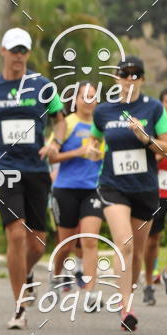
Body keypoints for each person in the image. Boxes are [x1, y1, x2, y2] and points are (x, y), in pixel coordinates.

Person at [0, 28, 66, 329]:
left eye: (23, 51)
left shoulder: (43, 86)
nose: (18, 56)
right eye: (13, 50)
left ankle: (27, 274)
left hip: (36, 168)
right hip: (2, 168)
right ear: (2, 50)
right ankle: (19, 307)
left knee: (37, 244)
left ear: (27, 54)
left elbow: (60, 119)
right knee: (15, 234)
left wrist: (55, 143)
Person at [89, 56, 167, 332]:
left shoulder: (154, 108)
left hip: (145, 189)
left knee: (135, 252)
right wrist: (91, 148)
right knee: (123, 244)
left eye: (136, 74)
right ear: (117, 78)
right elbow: (94, 139)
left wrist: (145, 137)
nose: (130, 79)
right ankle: (125, 308)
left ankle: (129, 299)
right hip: (113, 186)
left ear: (143, 79)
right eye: (125, 74)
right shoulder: (104, 111)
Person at [47, 83, 103, 306]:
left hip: (93, 189)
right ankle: (55, 278)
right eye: (84, 97)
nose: (89, 101)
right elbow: (52, 157)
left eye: (92, 97)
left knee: (90, 240)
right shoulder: (67, 123)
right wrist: (79, 152)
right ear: (76, 100)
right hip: (66, 189)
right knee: (67, 245)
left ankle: (90, 293)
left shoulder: (102, 125)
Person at [143, 86, 167, 302]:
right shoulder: (154, 132)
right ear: (161, 105)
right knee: (152, 239)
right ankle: (147, 284)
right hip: (155, 189)